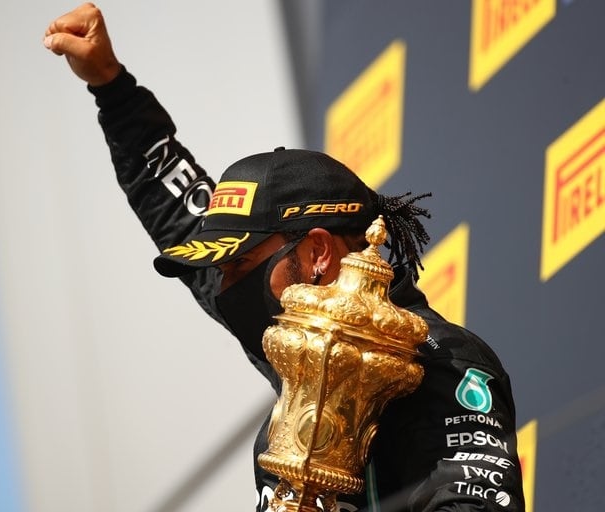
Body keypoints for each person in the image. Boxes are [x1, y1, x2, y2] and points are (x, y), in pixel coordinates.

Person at [43, 4, 525, 511]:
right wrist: (111, 87)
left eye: (240, 265)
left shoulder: (437, 364)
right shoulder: (304, 360)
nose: (224, 291)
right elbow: (180, 215)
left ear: (316, 252)